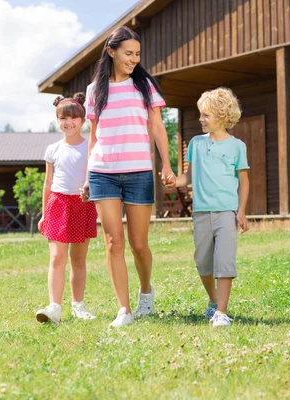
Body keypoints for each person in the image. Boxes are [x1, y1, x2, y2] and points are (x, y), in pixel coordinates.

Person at [82, 26, 175, 328]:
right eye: (128, 53)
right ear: (111, 51)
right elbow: (94, 136)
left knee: (138, 243)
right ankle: (124, 309)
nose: (134, 59)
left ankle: (145, 293)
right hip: (103, 172)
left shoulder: (145, 85)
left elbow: (158, 128)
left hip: (138, 172)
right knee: (113, 242)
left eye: (137, 54)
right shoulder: (95, 90)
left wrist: (167, 165)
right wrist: (87, 176)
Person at [165, 87, 249, 327]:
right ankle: (213, 301)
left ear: (222, 116)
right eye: (200, 114)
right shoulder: (196, 144)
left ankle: (221, 312)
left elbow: (244, 180)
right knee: (203, 262)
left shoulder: (237, 146)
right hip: (201, 213)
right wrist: (174, 181)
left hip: (226, 212)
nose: (200, 119)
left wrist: (241, 211)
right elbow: (188, 177)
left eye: (205, 115)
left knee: (224, 261)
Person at [36, 93, 98, 324]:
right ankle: (54, 307)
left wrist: (90, 191)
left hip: (83, 205)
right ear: (57, 120)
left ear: (83, 120)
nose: (68, 122)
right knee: (56, 257)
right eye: (63, 118)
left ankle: (78, 306)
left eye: (73, 118)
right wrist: (44, 213)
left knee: (78, 259)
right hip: (58, 205)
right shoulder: (52, 149)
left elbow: (96, 176)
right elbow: (48, 183)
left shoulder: (91, 147)